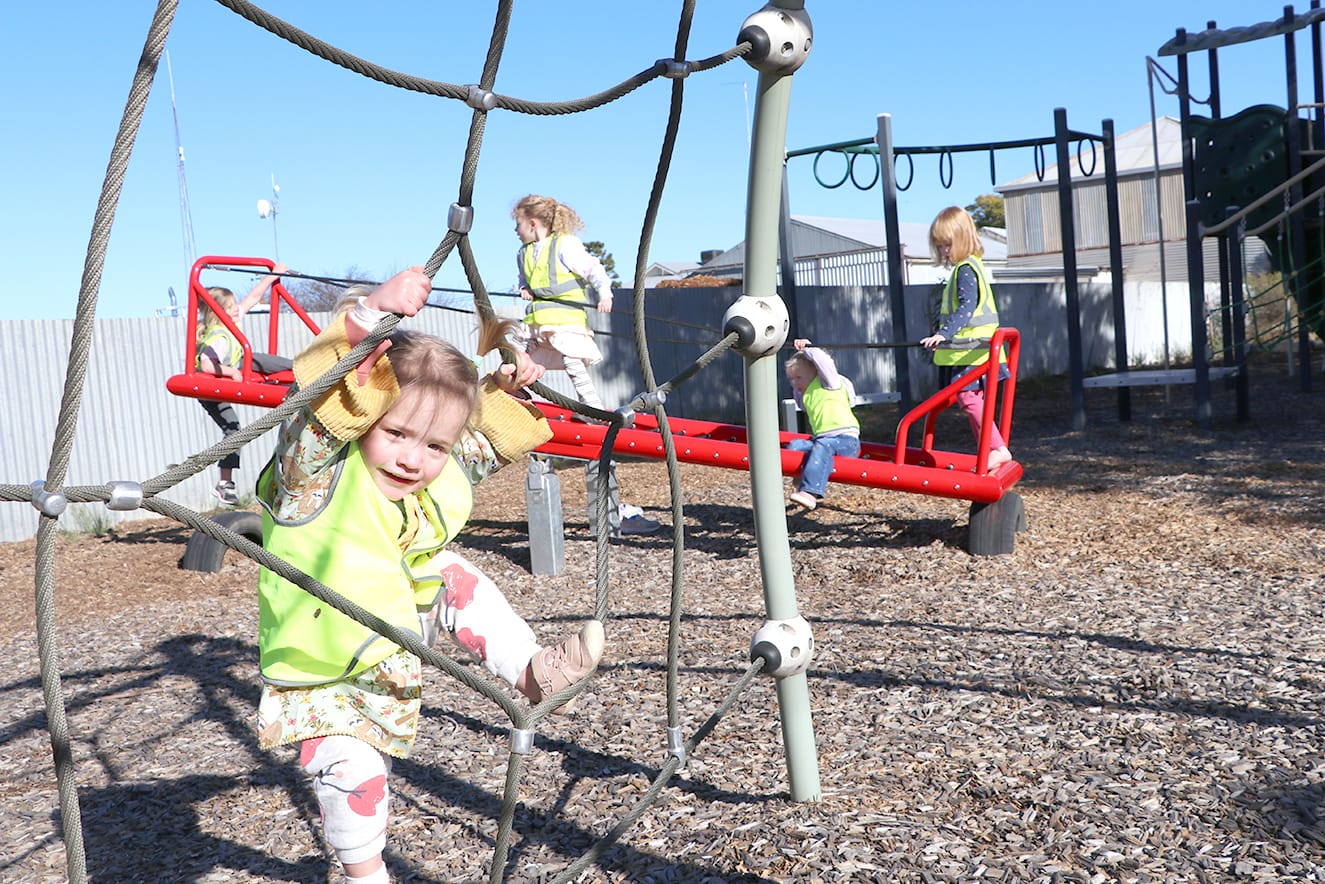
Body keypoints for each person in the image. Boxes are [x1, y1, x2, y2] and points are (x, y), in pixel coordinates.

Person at [254, 268, 605, 884]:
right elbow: (318, 407)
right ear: (363, 414)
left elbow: (476, 445)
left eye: (434, 446)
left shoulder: (426, 467)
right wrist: (365, 319)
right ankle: (366, 875)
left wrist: (502, 392)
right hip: (322, 671)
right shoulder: (313, 474)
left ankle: (530, 671)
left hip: (392, 632)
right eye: (395, 433)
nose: (414, 458)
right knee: (356, 772)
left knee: (453, 570)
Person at [511, 193, 660, 538]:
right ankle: (520, 401)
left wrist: (605, 292)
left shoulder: (564, 244)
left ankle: (594, 410)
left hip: (564, 320)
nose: (515, 231)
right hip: (538, 322)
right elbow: (524, 280)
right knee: (521, 360)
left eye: (518, 224)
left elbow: (593, 269)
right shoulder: (523, 253)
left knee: (574, 365)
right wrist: (524, 289)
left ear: (532, 223)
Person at [920, 206, 1012, 474]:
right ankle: (990, 449)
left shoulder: (966, 270)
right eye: (939, 246)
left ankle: (997, 448)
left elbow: (966, 308)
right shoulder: (973, 266)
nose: (944, 251)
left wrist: (943, 334)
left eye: (947, 245)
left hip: (975, 352)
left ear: (962, 239)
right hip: (978, 351)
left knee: (967, 397)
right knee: (973, 399)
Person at [195, 263, 290, 505]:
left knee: (256, 359)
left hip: (231, 371)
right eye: (230, 307)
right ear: (218, 313)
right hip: (212, 389)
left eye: (235, 305)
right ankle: (224, 483)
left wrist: (272, 276)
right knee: (233, 429)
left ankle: (296, 368)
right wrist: (230, 372)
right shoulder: (219, 336)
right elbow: (206, 365)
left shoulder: (231, 325)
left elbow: (253, 297)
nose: (237, 309)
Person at [783, 339, 861, 511]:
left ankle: (810, 492)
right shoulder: (806, 395)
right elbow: (799, 398)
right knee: (795, 445)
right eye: (791, 379)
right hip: (823, 440)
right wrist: (798, 385)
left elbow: (825, 363)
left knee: (823, 446)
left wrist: (809, 348)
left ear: (816, 373)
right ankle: (802, 480)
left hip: (846, 441)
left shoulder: (829, 384)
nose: (795, 383)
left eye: (798, 378)